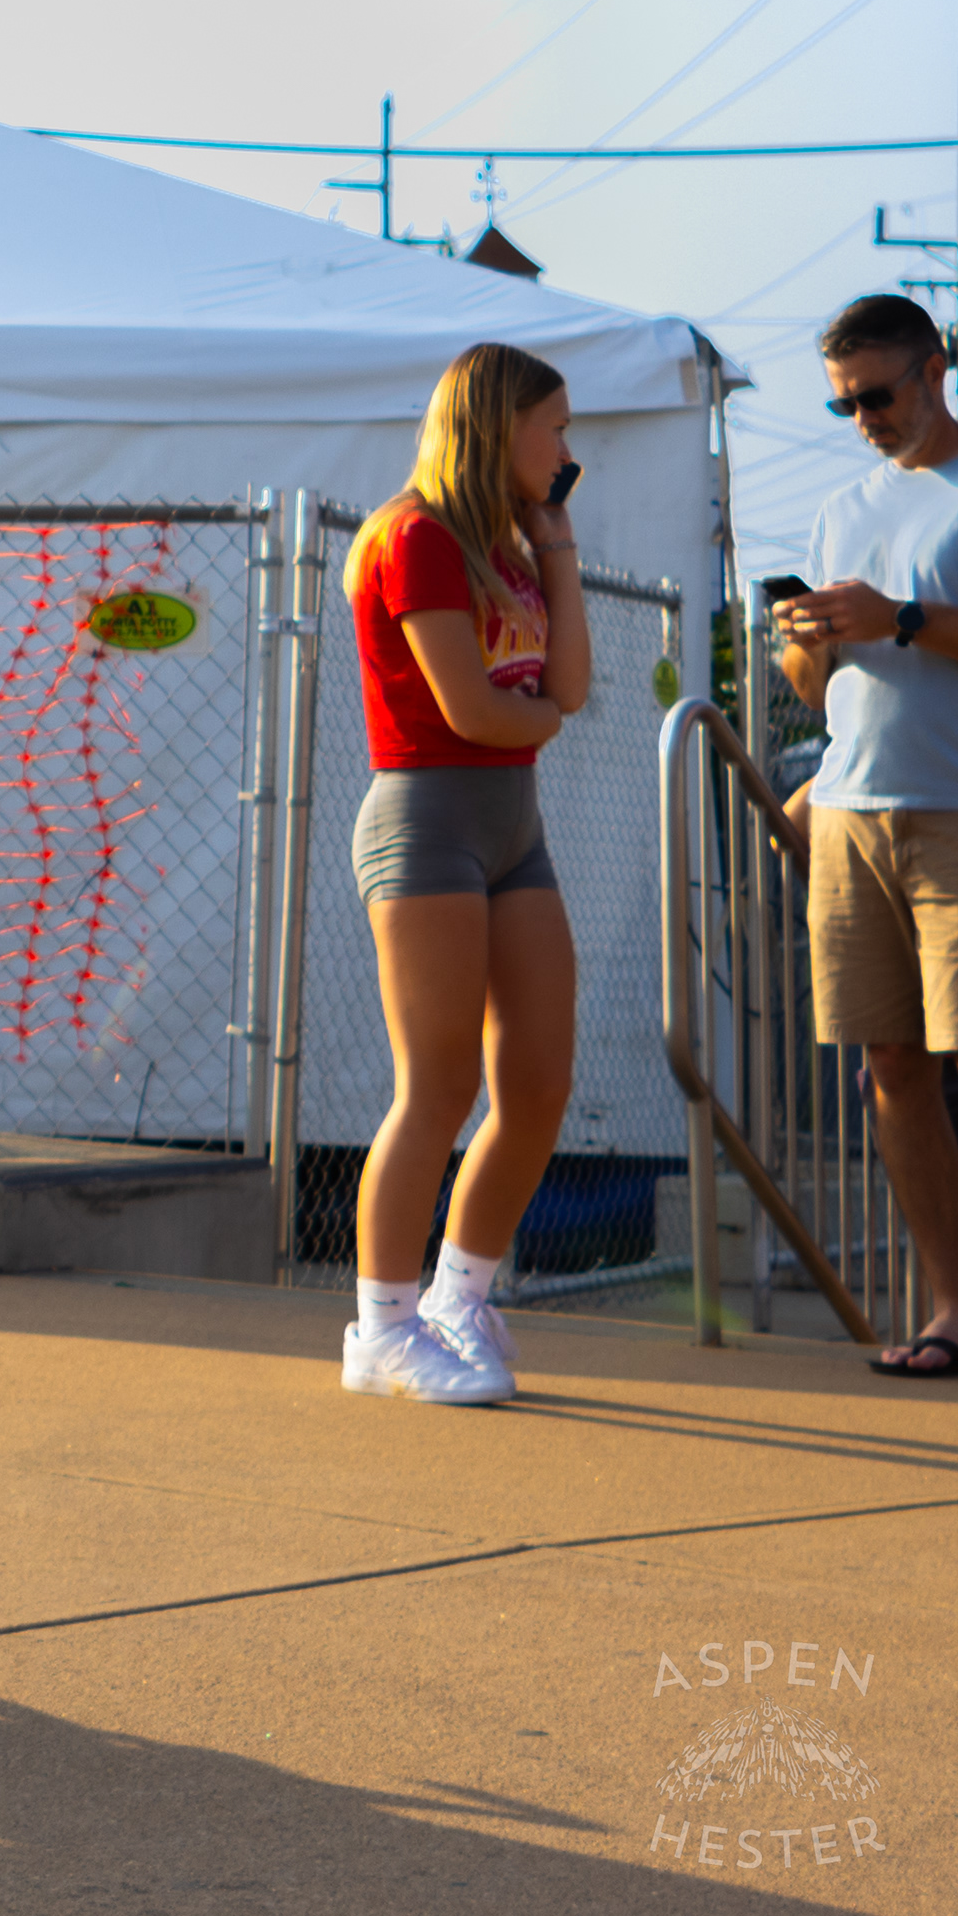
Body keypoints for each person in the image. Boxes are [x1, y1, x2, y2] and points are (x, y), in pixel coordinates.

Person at [337, 342, 592, 1405]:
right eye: (558, 429)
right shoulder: (416, 536)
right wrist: (535, 719)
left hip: (510, 827)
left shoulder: (510, 545)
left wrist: (558, 544)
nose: (568, 450)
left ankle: (458, 1297)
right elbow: (478, 710)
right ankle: (381, 1329)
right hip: (428, 821)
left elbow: (569, 685)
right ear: (501, 430)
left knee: (536, 1082)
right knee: (438, 1083)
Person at [771, 294, 958, 1381]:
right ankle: (951, 1308)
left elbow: (905, 625)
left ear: (936, 370)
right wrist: (808, 638)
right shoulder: (843, 507)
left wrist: (897, 617)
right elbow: (817, 691)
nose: (863, 420)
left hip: (950, 813)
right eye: (844, 403)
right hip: (852, 810)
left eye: (878, 396)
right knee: (893, 1067)